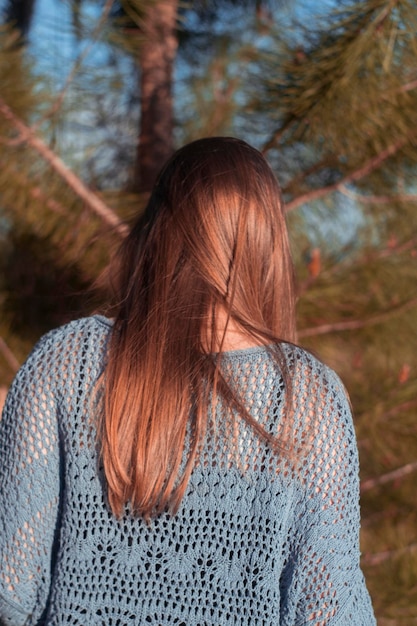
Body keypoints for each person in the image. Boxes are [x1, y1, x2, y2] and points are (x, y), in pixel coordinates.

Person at [0, 137, 376, 625]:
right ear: (268, 247)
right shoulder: (307, 397)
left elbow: (11, 587)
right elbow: (330, 612)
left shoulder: (67, 362)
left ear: (156, 233)